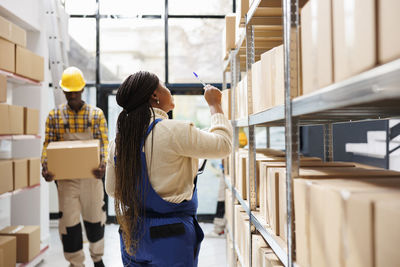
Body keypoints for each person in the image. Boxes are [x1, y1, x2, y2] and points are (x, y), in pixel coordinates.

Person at [105, 71, 232, 266]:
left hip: (133, 236)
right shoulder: (175, 131)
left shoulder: (119, 141)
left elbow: (112, 190)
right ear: (155, 95)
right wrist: (215, 105)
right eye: (164, 86)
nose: (169, 90)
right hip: (171, 237)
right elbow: (223, 145)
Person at [41, 67, 109, 267]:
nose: (72, 95)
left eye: (75, 91)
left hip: (92, 178)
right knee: (69, 224)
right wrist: (46, 167)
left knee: (95, 220)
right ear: (63, 91)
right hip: (67, 181)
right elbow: (48, 145)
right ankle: (76, 263)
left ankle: (97, 259)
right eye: (68, 91)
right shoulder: (54, 117)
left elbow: (104, 143)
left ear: (81, 90)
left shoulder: (96, 115)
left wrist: (103, 165)